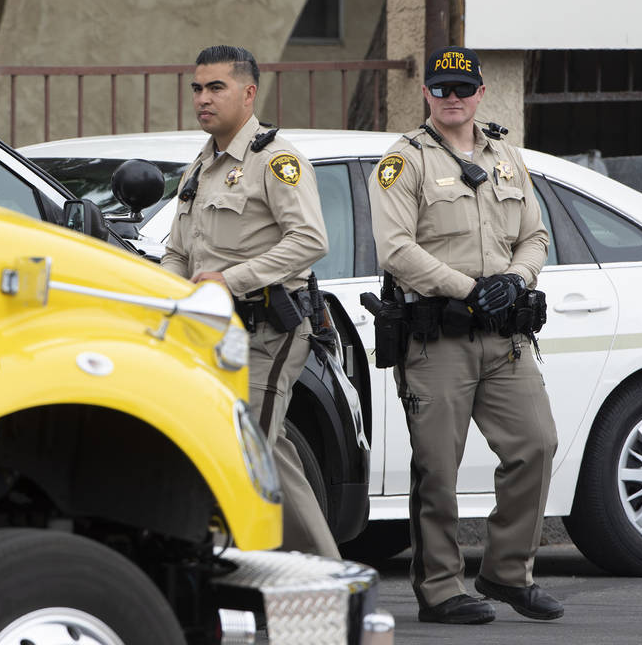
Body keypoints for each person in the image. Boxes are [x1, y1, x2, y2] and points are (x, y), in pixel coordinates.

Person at [368, 46, 560, 625]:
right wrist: (469, 289)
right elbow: (396, 250)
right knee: (437, 468)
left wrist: (514, 280)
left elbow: (536, 236)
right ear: (426, 94)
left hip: (506, 339)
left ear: (480, 95)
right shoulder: (404, 162)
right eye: (441, 88)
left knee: (536, 446)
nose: (453, 97)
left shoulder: (507, 158)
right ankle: (440, 588)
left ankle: (506, 574)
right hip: (438, 341)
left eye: (463, 88)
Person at [161, 44, 340, 558]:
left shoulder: (275, 160)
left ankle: (298, 577)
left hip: (267, 332)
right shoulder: (202, 164)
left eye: (216, 87)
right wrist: (171, 296)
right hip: (211, 336)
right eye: (197, 88)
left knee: (250, 451)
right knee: (260, 450)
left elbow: (310, 240)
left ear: (248, 92)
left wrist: (227, 281)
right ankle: (311, 573)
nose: (203, 98)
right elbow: (178, 251)